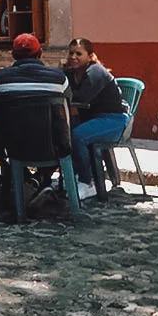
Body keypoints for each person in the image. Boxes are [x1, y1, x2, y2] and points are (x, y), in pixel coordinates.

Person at [0, 33, 73, 203]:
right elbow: (68, 99)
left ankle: (28, 182)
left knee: (2, 128)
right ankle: (40, 178)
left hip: (16, 146)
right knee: (64, 138)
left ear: (13, 55)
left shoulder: (0, 78)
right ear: (40, 54)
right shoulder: (59, 78)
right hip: (52, 146)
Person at [65, 37, 129, 200]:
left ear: (90, 56)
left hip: (113, 120)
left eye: (79, 53)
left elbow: (81, 98)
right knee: (59, 129)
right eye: (71, 53)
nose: (73, 57)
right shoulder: (73, 73)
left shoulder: (96, 72)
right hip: (92, 118)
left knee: (77, 136)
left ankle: (88, 182)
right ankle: (70, 175)